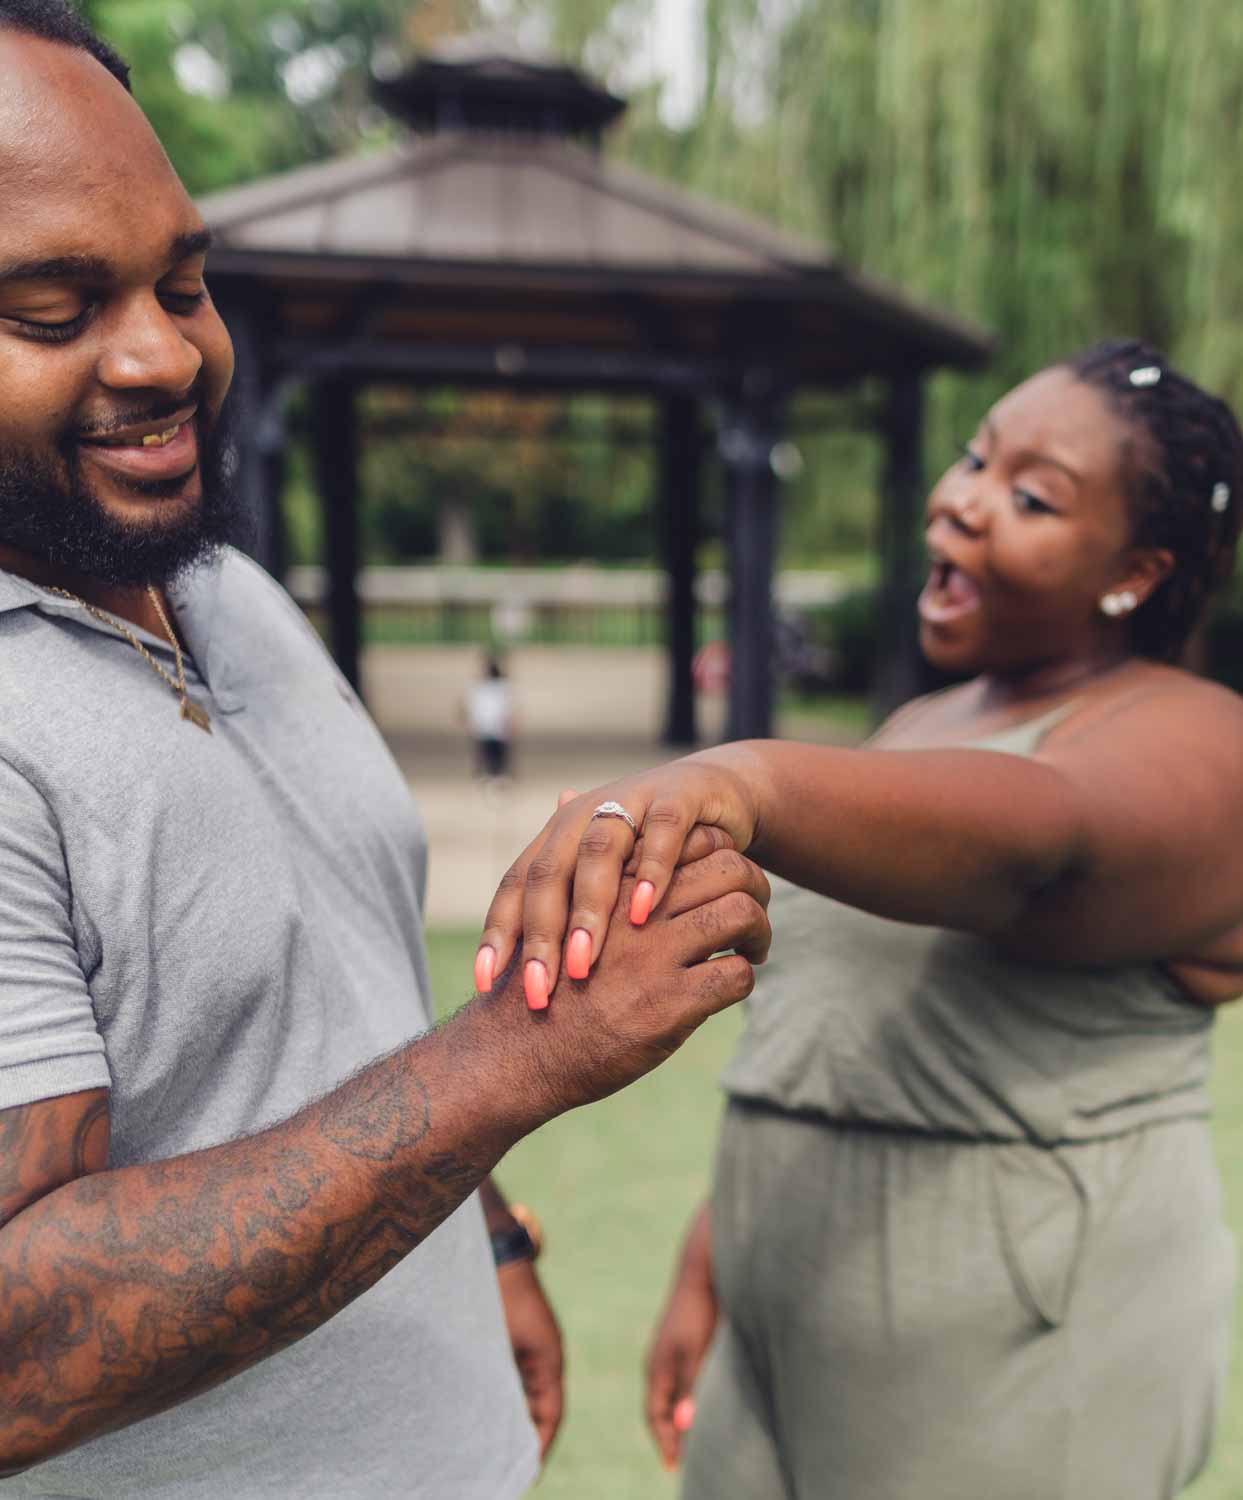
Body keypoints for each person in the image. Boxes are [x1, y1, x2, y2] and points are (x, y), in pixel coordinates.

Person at [0, 10, 774, 1496]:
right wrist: (515, 1062)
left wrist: (482, 1229)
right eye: (54, 309)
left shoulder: (225, 588)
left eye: (185, 281)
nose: (164, 353)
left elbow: (331, 984)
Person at [478, 340, 1243, 1498]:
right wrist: (716, 1258)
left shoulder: (1200, 739)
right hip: (781, 1316)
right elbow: (838, 1027)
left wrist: (744, 782)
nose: (962, 502)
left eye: (1029, 496)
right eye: (974, 459)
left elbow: (1043, 842)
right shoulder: (924, 723)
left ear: (1134, 571)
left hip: (1013, 1343)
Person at [465, 651, 515, 781]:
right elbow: (507, 709)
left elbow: (471, 707)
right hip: (497, 728)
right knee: (497, 758)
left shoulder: (478, 687)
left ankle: (486, 776)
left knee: (486, 755)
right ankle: (496, 777)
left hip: (484, 727)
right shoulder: (503, 687)